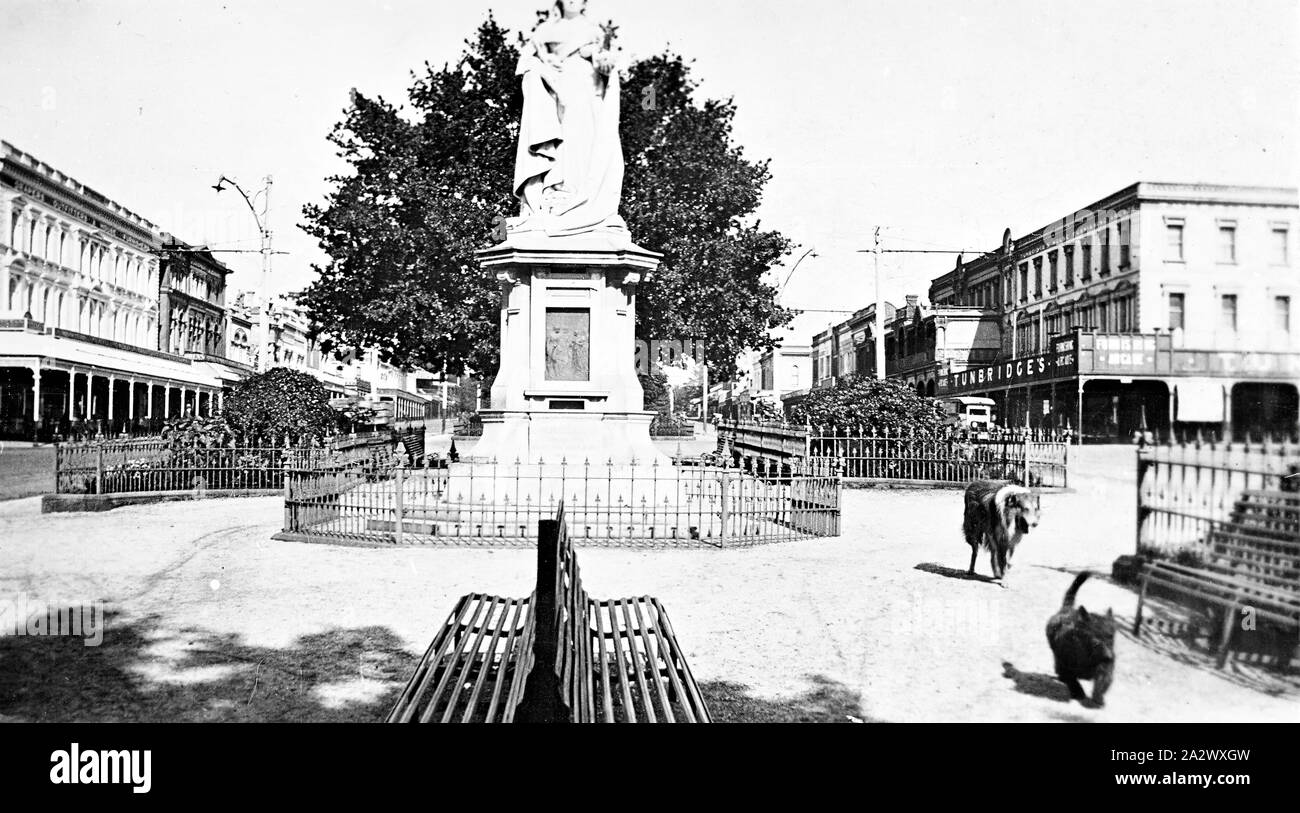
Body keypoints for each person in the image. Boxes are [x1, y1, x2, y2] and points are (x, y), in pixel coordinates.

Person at [513, 0, 626, 235]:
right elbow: (524, 62)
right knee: (559, 139)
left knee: (582, 139)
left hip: (586, 87)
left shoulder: (594, 31)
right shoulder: (544, 31)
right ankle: (555, 191)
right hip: (552, 88)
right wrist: (540, 67)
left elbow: (603, 64)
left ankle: (576, 195)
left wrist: (604, 63)